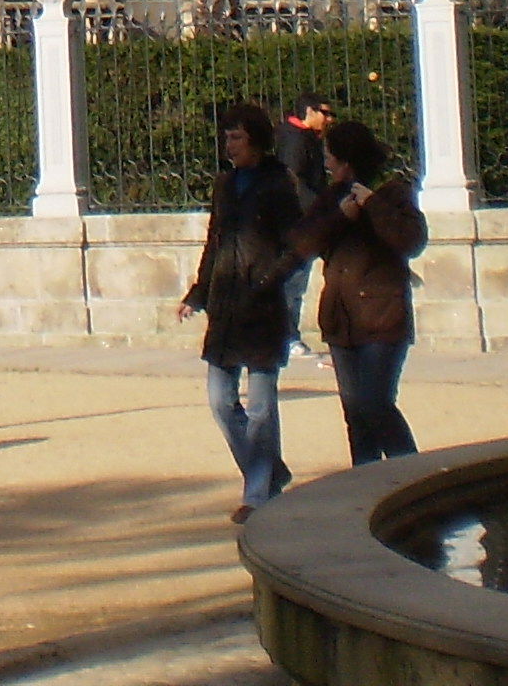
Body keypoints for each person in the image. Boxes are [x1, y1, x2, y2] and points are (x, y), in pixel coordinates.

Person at [177, 99, 302, 522]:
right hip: (227, 305)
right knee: (220, 401)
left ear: (256, 140)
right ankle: (268, 471)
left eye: (236, 137)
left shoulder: (278, 184)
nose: (228, 145)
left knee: (263, 406)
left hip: (263, 307)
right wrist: (198, 292)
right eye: (226, 137)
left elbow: (296, 247)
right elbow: (215, 241)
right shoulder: (225, 185)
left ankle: (257, 494)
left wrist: (269, 279)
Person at [282, 116, 427, 464]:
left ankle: (411, 470)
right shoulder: (331, 199)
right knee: (355, 414)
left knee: (375, 404)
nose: (327, 163)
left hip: (382, 319)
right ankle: (365, 480)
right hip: (342, 320)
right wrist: (340, 218)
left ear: (347, 161)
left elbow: (411, 241)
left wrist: (372, 204)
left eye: (331, 156)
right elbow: (302, 243)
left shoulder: (393, 194)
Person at [278, 99, 336, 343]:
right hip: (300, 222)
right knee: (294, 282)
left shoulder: (299, 137)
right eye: (325, 113)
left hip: (305, 220)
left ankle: (288, 335)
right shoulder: (298, 140)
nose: (329, 119)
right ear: (309, 111)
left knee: (296, 281)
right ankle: (288, 337)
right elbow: (295, 178)